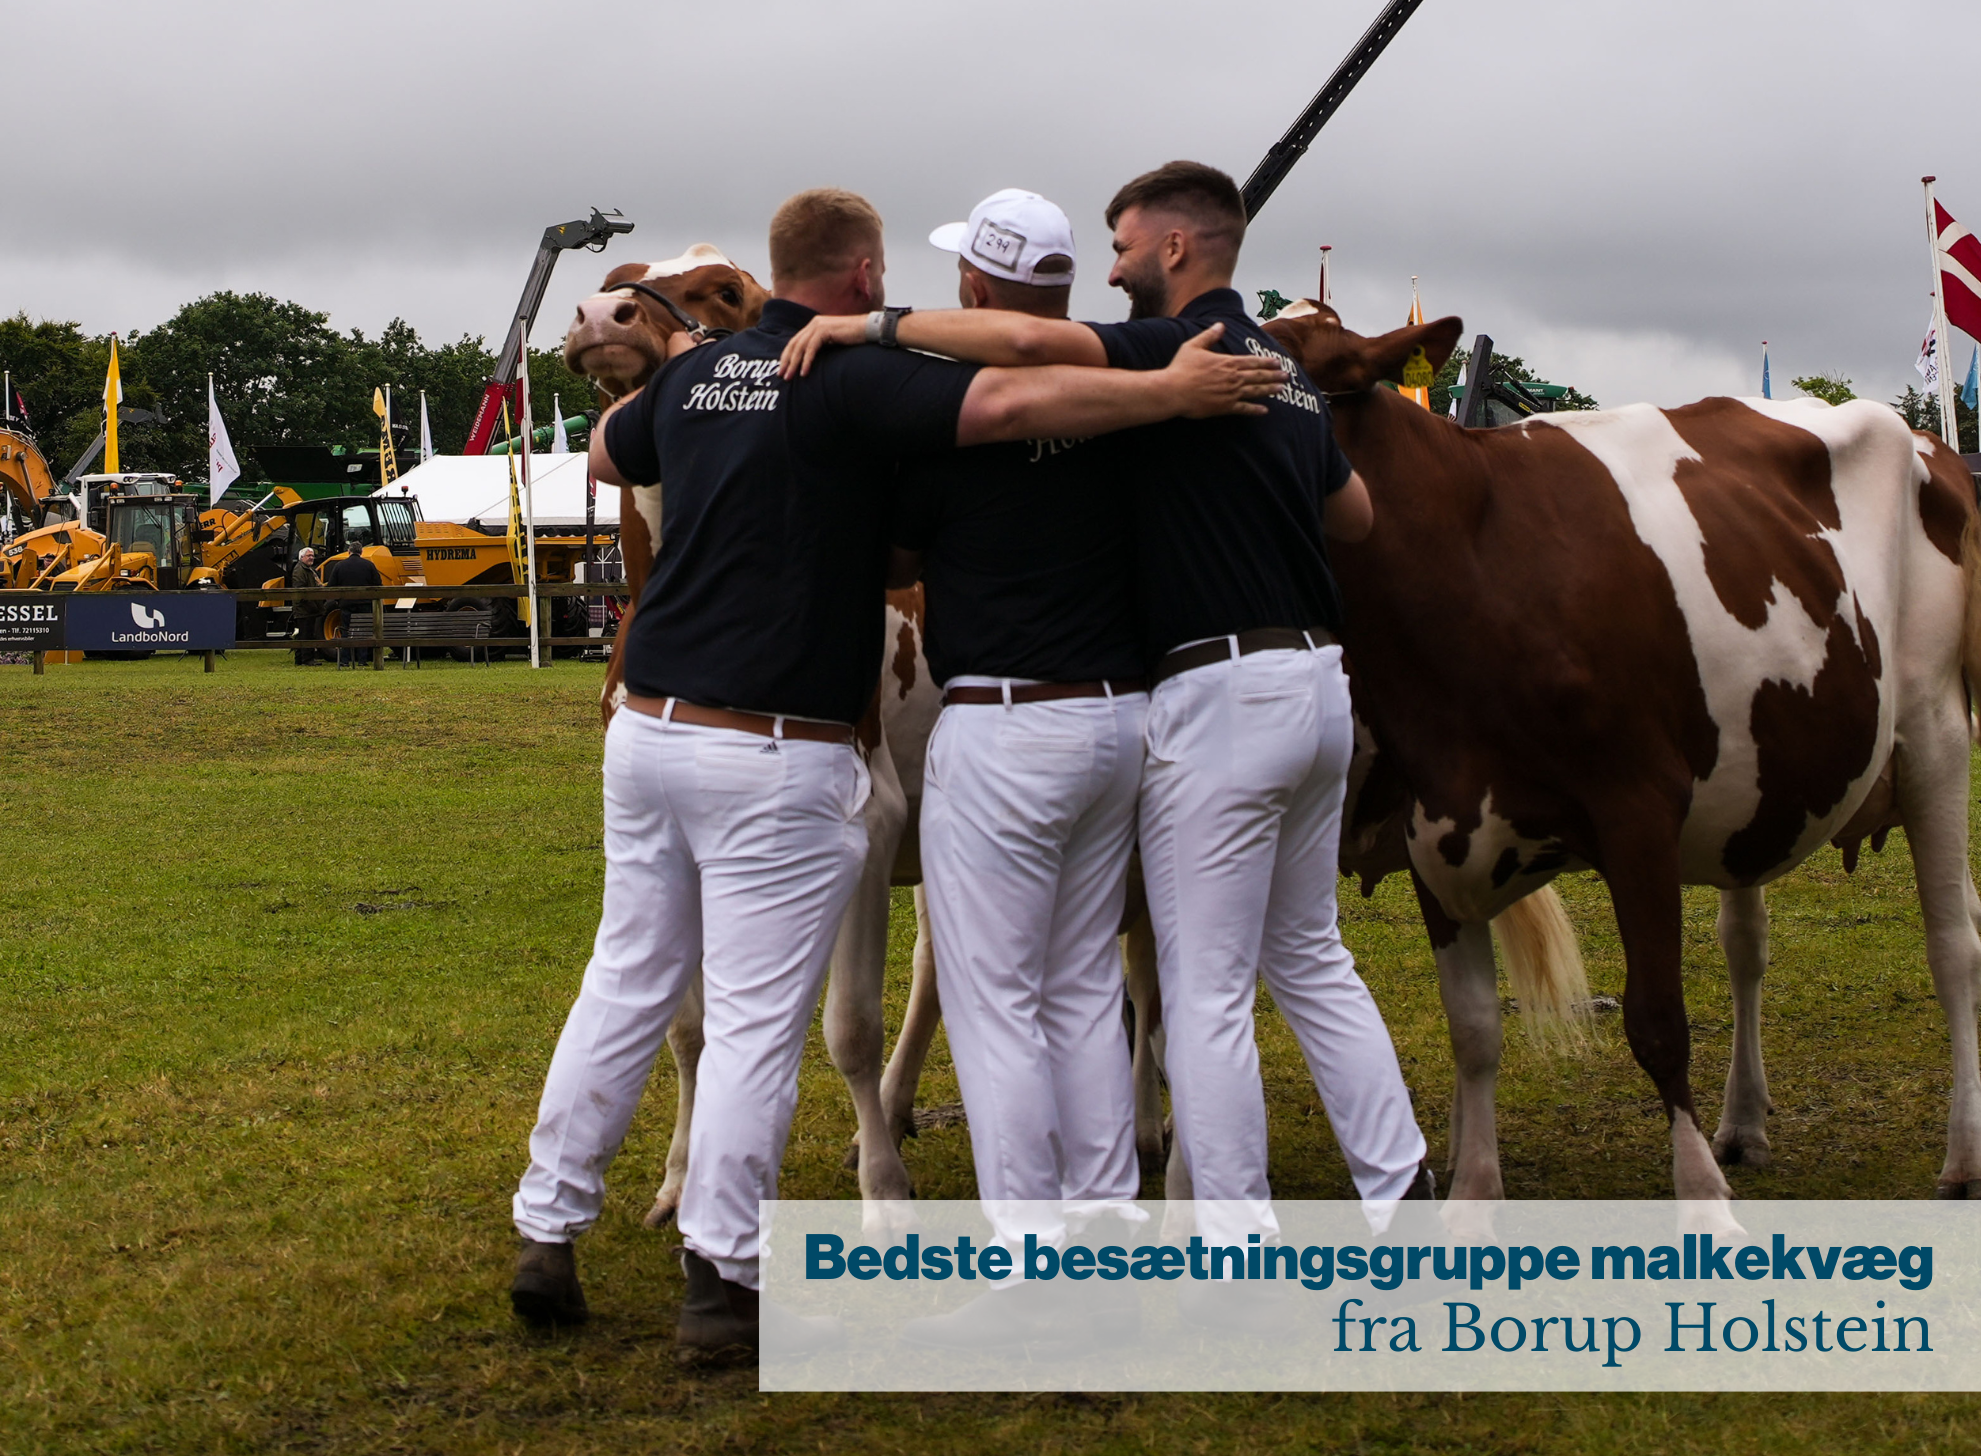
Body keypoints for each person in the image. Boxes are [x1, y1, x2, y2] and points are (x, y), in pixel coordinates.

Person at [508, 186, 1285, 1362]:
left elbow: (613, 457)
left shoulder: (691, 377)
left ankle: (545, 1230)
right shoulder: (860, 374)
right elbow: (1023, 390)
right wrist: (1167, 392)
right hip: (775, 741)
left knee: (624, 979)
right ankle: (720, 1283)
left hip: (648, 727)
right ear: (866, 275)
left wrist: (688, 376)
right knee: (761, 1025)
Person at [779, 161, 1429, 1267]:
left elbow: (1029, 363)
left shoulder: (1149, 358)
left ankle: (1214, 1239)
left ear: (1175, 250)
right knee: (1300, 955)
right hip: (1308, 685)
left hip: (1187, 700)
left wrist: (872, 326)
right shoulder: (1272, 368)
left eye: (1127, 245)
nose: (1116, 264)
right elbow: (1357, 520)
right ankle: (1392, 1179)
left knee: (1194, 987)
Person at [885, 190, 1148, 1348]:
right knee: (1086, 985)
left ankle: (1030, 1252)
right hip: (1118, 719)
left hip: (1003, 721)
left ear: (978, 291)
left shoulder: (953, 408)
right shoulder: (1130, 398)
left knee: (994, 1004)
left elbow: (890, 552)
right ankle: (1104, 1225)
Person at [325, 540, 381, 667]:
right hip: (365, 604)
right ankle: (362, 660)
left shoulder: (339, 566)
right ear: (361, 552)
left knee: (345, 631)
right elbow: (378, 584)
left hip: (346, 604)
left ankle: (345, 660)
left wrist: (338, 599)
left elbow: (331, 586)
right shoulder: (369, 565)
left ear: (349, 551)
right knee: (363, 631)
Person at [290, 546, 323, 664]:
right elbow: (300, 591)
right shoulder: (300, 570)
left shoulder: (309, 569)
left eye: (312, 556)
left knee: (304, 634)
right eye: (309, 556)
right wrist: (313, 606)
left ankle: (300, 658)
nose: (311, 558)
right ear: (301, 557)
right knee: (306, 634)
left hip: (308, 608)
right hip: (304, 609)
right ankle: (307, 659)